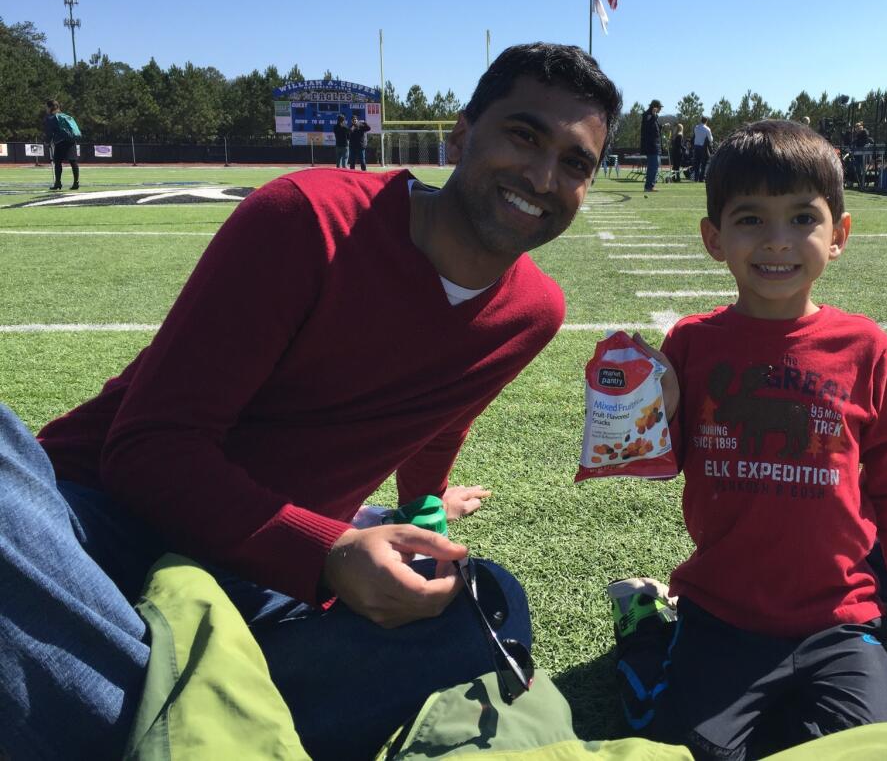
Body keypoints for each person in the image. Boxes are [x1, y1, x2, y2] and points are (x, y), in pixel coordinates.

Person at [0, 43, 622, 761]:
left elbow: (442, 418)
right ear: (460, 134)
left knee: (488, 605)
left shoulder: (534, 312)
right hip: (95, 530)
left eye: (575, 163)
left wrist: (422, 512)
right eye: (523, 134)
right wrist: (330, 553)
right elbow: (147, 453)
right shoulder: (309, 217)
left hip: (262, 577)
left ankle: (124, 706)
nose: (543, 176)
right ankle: (188, 721)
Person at [614, 119, 887, 760]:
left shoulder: (864, 345)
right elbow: (664, 464)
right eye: (750, 220)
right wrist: (642, 414)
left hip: (839, 619)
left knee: (876, 754)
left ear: (839, 234)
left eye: (801, 218)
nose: (777, 241)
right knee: (687, 751)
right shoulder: (692, 342)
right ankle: (644, 629)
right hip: (722, 612)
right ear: (714, 239)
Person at [42, 98, 80, 191]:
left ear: (51, 107)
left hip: (60, 142)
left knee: (58, 162)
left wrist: (47, 141)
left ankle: (58, 183)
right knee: (73, 161)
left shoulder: (51, 118)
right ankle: (76, 182)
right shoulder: (66, 116)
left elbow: (50, 132)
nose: (46, 109)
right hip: (71, 140)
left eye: (47, 107)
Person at [640, 100, 663, 191]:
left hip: (655, 145)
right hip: (651, 145)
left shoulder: (654, 116)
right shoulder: (648, 115)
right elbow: (647, 127)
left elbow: (654, 128)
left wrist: (662, 126)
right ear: (655, 107)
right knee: (653, 166)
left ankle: (650, 185)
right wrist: (653, 115)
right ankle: (649, 186)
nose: (661, 109)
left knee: (655, 165)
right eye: (660, 107)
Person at [691, 114, 714, 183]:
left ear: (701, 120)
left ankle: (696, 178)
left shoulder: (696, 127)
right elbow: (710, 139)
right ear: (706, 121)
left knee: (697, 163)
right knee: (703, 163)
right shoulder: (707, 129)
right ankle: (701, 178)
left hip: (696, 146)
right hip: (703, 147)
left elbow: (695, 135)